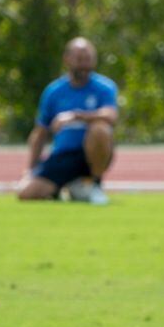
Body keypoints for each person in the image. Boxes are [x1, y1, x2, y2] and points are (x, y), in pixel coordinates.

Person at [17, 37, 117, 205]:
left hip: (89, 156)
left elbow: (111, 116)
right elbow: (40, 132)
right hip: (63, 155)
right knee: (26, 193)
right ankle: (71, 186)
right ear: (67, 59)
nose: (84, 65)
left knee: (100, 128)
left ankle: (94, 184)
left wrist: (76, 116)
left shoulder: (104, 87)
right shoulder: (54, 91)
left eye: (88, 60)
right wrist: (30, 169)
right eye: (79, 60)